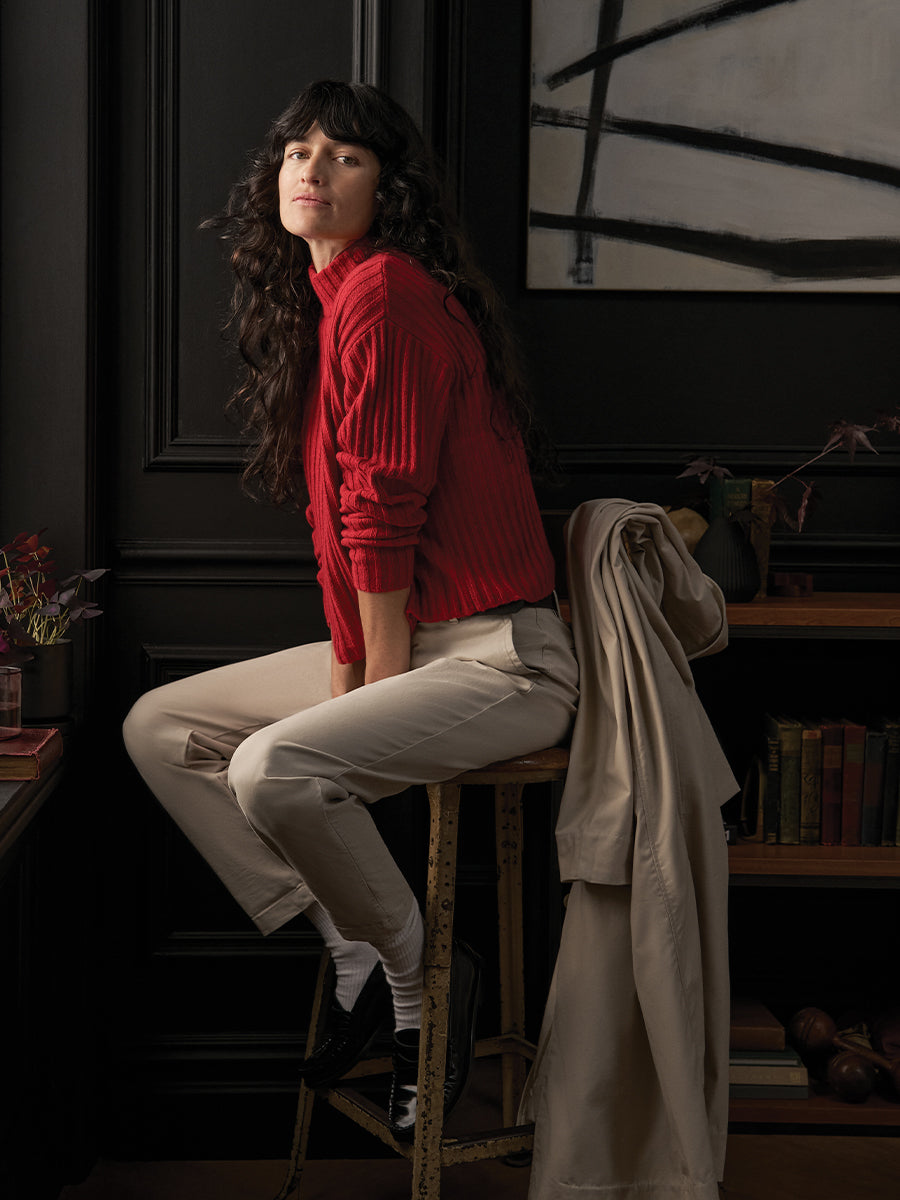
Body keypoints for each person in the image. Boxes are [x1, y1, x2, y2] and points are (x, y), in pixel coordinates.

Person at [123, 79, 579, 1139]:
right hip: (420, 638)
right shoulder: (334, 305)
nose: (312, 172)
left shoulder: (387, 293)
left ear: (391, 187)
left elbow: (384, 509)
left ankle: (422, 991)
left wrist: (376, 680)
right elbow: (340, 536)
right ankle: (360, 947)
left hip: (503, 659)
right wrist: (348, 668)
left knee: (269, 766)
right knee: (162, 728)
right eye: (297, 152)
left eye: (346, 157)